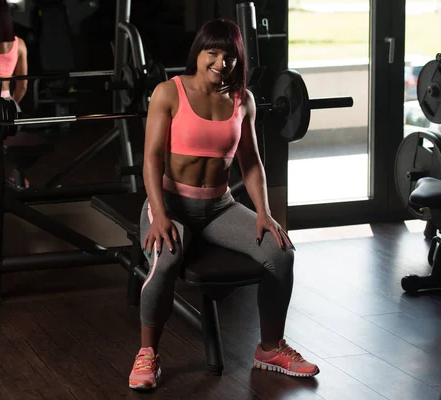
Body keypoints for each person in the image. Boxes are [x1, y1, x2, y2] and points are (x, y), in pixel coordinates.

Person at [128, 19, 319, 391]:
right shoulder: (169, 93)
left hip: (219, 207)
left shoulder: (241, 100)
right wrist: (160, 215)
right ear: (197, 54)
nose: (220, 62)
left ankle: (270, 348)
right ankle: (147, 354)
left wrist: (265, 212)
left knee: (281, 253)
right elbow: (150, 159)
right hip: (171, 203)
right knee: (165, 258)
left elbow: (250, 163)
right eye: (212, 53)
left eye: (228, 56)